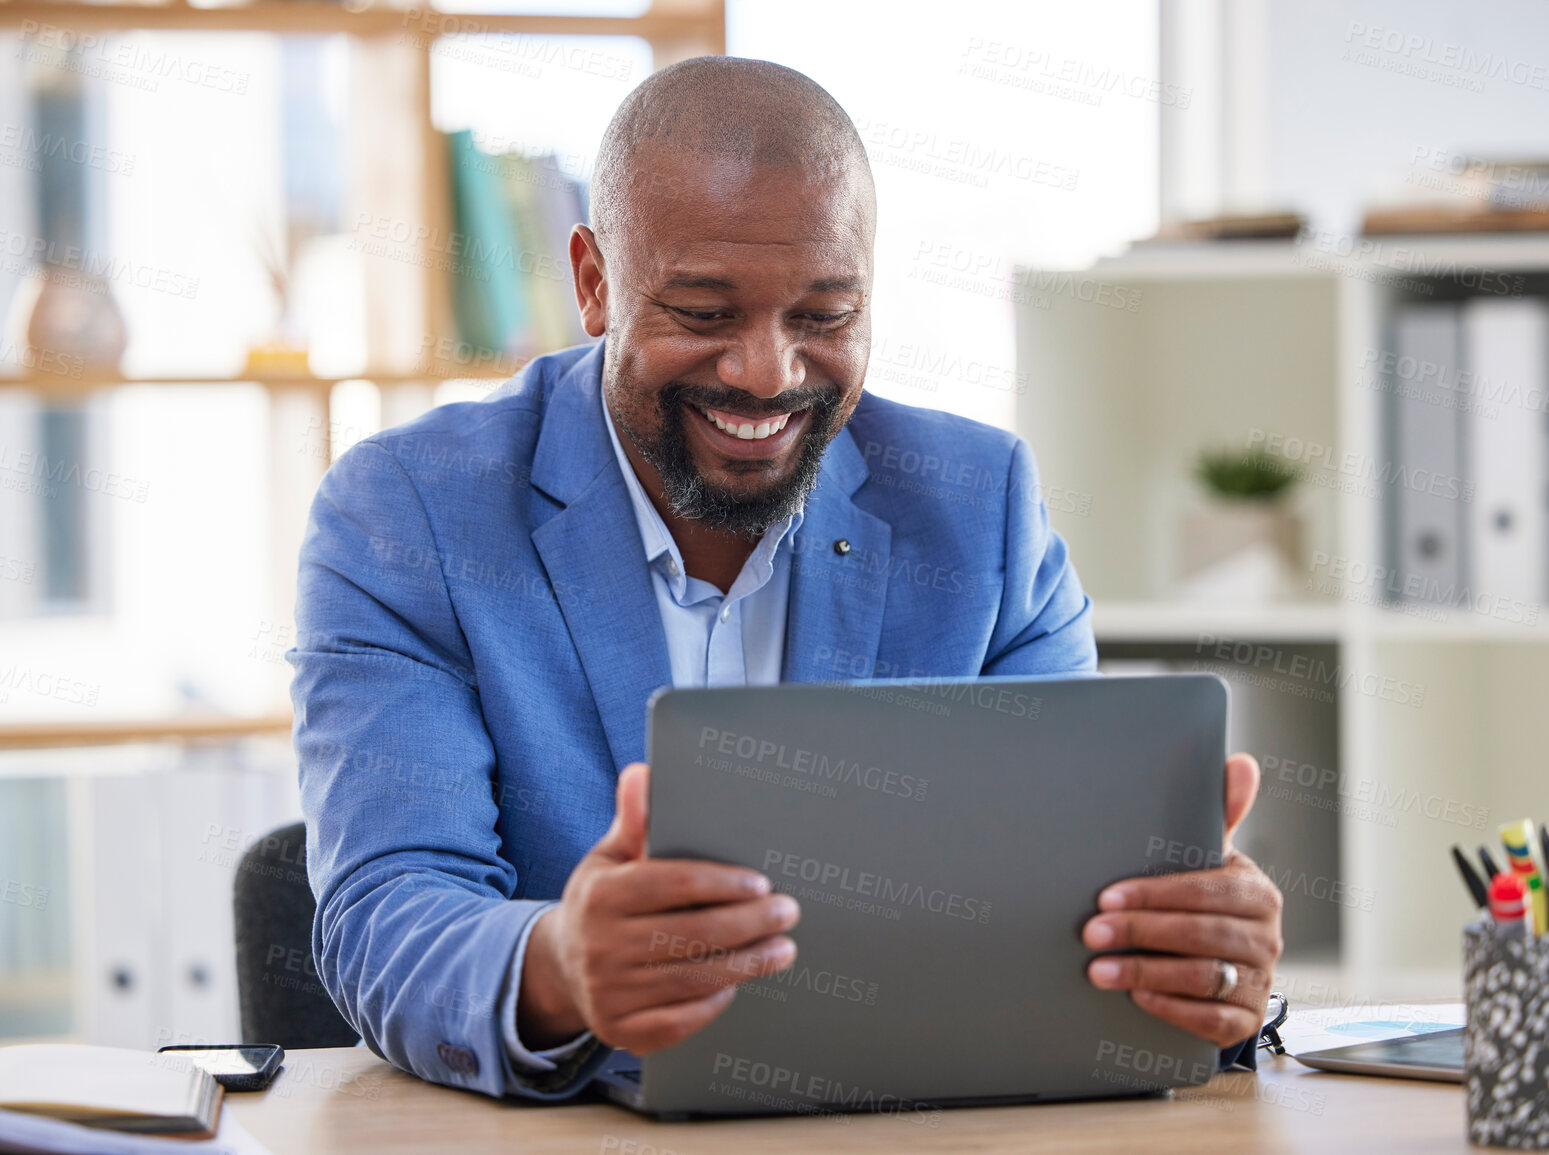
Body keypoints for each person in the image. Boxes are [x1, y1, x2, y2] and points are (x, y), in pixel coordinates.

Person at [290, 56, 1283, 1101]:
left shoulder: (978, 508)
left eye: (823, 315)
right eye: (705, 312)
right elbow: (386, 912)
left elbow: (1076, 907)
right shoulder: (407, 513)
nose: (768, 372)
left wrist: (1199, 960)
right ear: (593, 283)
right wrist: (562, 967)